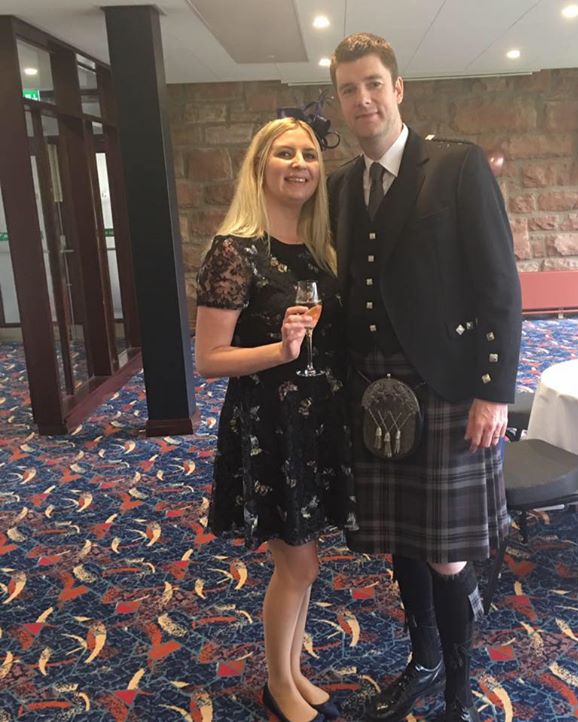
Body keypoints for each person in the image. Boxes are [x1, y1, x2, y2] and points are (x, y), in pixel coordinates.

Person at [327, 33, 522, 722]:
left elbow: (500, 286)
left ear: (398, 88)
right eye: (349, 89)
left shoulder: (457, 166)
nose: (363, 99)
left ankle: (460, 693)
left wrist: (494, 390)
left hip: (445, 389)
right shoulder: (342, 184)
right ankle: (424, 662)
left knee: (446, 553)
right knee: (402, 540)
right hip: (373, 393)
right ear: (340, 101)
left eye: (373, 84)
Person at [195, 117, 355, 722]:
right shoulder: (234, 250)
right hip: (271, 426)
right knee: (298, 564)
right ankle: (277, 685)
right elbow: (209, 359)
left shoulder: (319, 246)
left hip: (318, 423)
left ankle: (292, 672)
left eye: (309, 154)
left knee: (304, 564)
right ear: (260, 166)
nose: (299, 164)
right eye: (284, 153)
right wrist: (280, 352)